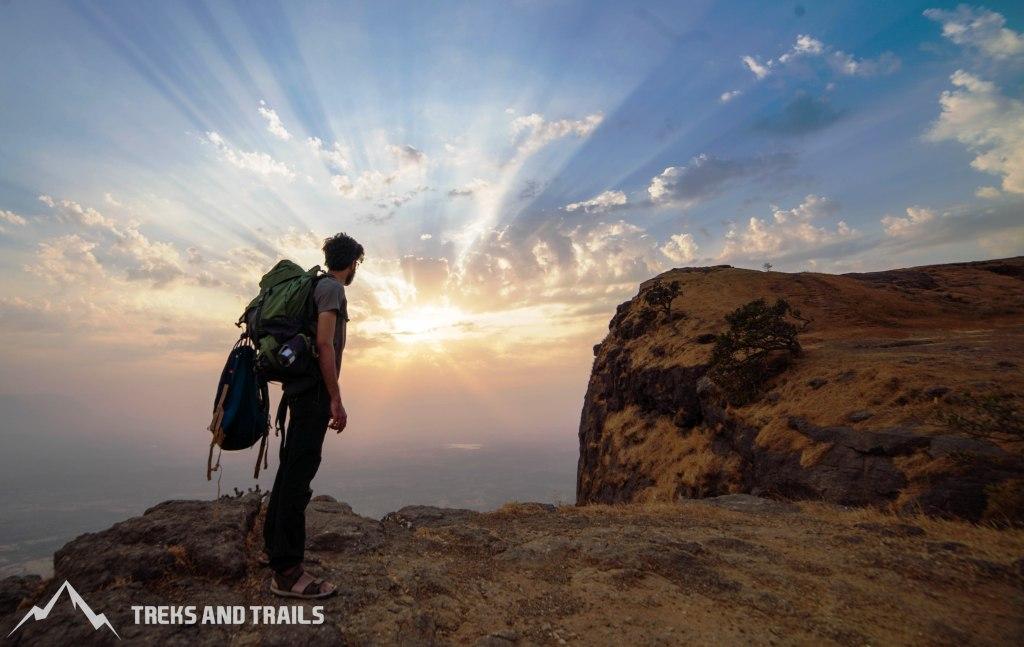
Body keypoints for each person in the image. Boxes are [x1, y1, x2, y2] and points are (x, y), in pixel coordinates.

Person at [264, 232, 363, 599]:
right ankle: (288, 572)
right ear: (352, 263)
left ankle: (274, 550)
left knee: (290, 469)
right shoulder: (333, 290)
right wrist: (335, 398)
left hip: (298, 389)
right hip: (314, 393)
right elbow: (324, 343)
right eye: (357, 264)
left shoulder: (314, 286)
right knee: (298, 476)